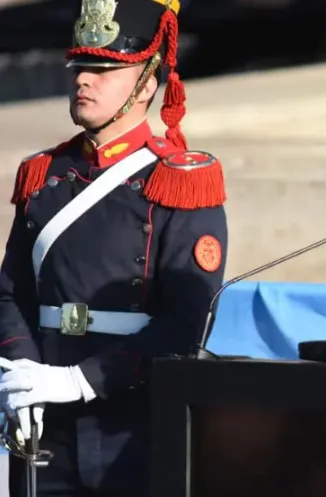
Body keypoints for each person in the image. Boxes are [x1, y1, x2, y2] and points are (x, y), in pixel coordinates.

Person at [0, 0, 228, 495]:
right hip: (43, 423)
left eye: (104, 69)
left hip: (132, 424)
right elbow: (12, 292)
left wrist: (82, 381)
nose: (84, 79)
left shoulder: (180, 180)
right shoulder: (44, 176)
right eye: (80, 66)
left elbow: (187, 319)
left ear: (147, 84)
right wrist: (22, 373)